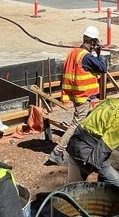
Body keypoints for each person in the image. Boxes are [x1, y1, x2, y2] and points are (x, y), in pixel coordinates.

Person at [45, 26, 109, 166]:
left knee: (85, 121)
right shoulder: (86, 57)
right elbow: (103, 68)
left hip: (75, 94)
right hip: (82, 96)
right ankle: (57, 151)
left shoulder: (74, 52)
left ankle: (84, 146)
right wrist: (99, 54)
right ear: (93, 42)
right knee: (76, 124)